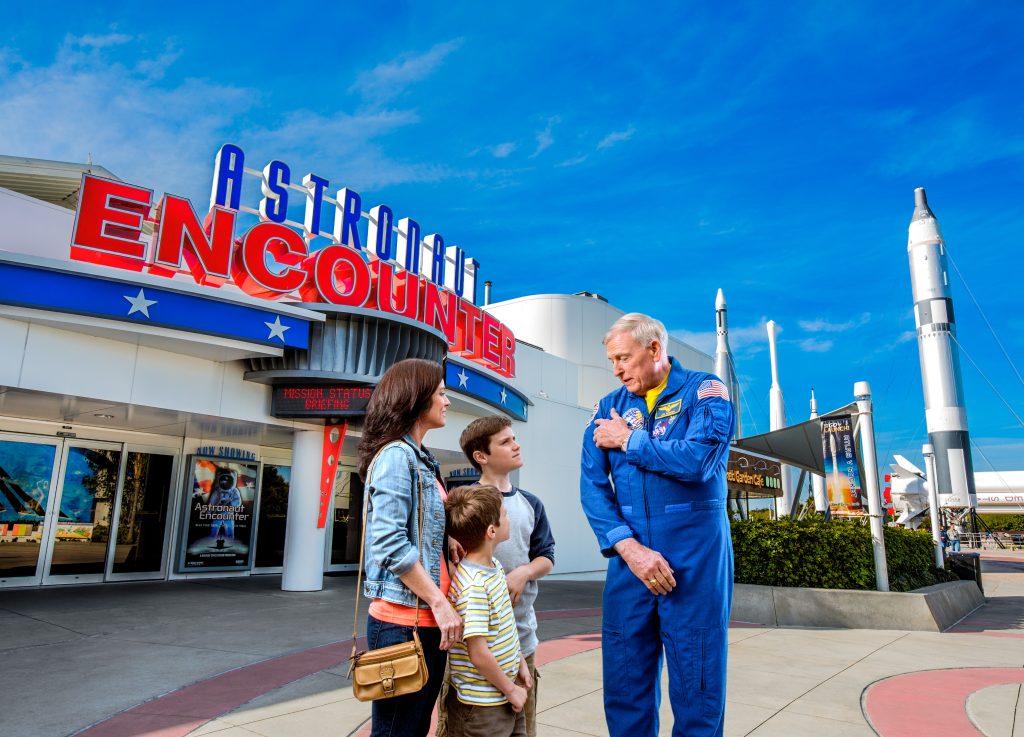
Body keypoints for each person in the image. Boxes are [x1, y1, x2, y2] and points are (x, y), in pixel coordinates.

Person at [580, 313, 735, 737]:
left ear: (654, 349)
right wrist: (629, 549)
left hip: (693, 564)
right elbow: (593, 489)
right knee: (625, 685)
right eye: (612, 360)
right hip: (629, 565)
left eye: (623, 358)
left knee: (697, 689)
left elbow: (700, 460)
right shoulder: (608, 409)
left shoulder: (705, 393)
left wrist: (630, 441)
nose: (616, 369)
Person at [357, 358, 463, 737]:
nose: (447, 401)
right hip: (404, 624)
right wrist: (439, 600)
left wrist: (446, 536)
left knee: (413, 729)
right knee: (397, 732)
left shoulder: (422, 459)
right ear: (417, 399)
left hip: (426, 624)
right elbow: (387, 541)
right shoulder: (395, 457)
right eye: (441, 393)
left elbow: (417, 525)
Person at [436, 415, 555, 737]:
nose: (516, 445)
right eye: (505, 441)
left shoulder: (531, 504)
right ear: (481, 456)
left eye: (514, 438)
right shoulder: (462, 505)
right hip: (473, 649)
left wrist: (524, 573)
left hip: (519, 641)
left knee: (521, 727)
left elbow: (547, 556)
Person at [443, 485, 533, 737]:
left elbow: (503, 628)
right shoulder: (473, 586)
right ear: (491, 531)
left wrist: (519, 662)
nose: (509, 518)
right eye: (504, 514)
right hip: (483, 708)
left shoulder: (494, 566)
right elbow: (479, 654)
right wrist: (511, 689)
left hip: (504, 695)